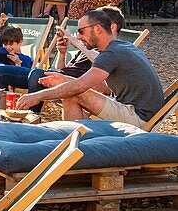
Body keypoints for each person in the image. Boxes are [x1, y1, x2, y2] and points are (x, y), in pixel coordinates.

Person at [16, 8, 164, 127]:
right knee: (71, 90)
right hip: (137, 110)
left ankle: (74, 146)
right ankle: (74, 142)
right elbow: (105, 87)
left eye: (81, 31)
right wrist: (66, 79)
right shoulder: (122, 47)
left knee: (72, 93)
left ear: (98, 29)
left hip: (138, 117)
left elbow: (79, 87)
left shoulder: (111, 53)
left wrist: (37, 96)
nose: (79, 36)